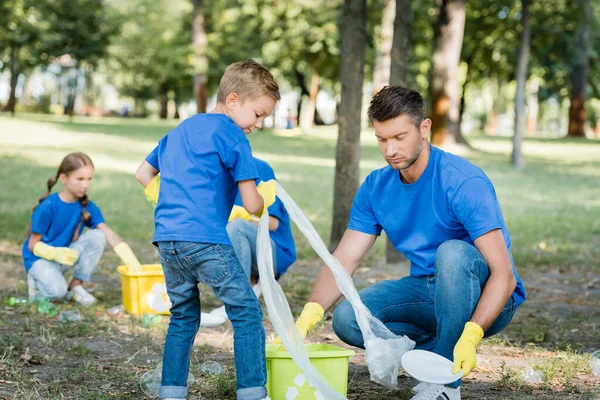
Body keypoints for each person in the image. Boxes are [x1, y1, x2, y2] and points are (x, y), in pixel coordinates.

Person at [287, 87, 526, 400]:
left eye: (399, 137)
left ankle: (443, 384)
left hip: (483, 294)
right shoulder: (376, 187)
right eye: (382, 139)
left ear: (424, 129)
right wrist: (307, 317)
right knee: (348, 320)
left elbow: (504, 276)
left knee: (452, 253)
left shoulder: (463, 182)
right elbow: (345, 258)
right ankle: (437, 353)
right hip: (425, 289)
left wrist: (472, 335)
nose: (390, 150)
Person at [135, 60, 280, 400]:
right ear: (233, 101)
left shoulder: (181, 130)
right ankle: (252, 392)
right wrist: (265, 195)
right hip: (207, 241)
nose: (258, 124)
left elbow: (143, 174)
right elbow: (251, 203)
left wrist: (172, 202)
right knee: (245, 311)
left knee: (183, 314)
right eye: (258, 114)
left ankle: (171, 391)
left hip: (168, 240)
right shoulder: (234, 137)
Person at [22, 152, 142, 306]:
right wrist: (54, 253)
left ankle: (75, 287)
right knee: (57, 292)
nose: (85, 184)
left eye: (89, 179)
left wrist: (133, 263)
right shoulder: (48, 207)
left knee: (98, 236)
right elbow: (32, 245)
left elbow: (107, 233)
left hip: (64, 256)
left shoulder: (87, 206)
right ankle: (36, 285)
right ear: (64, 178)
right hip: (39, 259)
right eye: (80, 179)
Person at [208, 156, 297, 321]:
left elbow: (273, 223)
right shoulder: (211, 174)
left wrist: (238, 214)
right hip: (232, 246)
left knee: (237, 227)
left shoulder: (260, 169)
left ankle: (240, 300)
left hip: (272, 252)